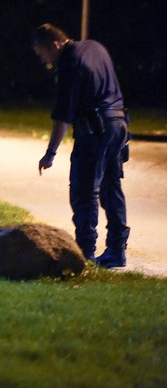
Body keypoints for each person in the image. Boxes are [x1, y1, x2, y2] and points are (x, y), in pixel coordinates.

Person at [32, 23, 130, 268]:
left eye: (43, 53)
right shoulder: (94, 47)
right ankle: (117, 251)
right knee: (111, 187)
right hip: (118, 124)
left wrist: (50, 152)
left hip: (94, 130)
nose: (45, 60)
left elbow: (63, 115)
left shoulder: (69, 62)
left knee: (84, 192)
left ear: (55, 45)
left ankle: (84, 254)